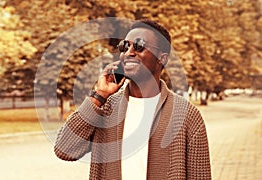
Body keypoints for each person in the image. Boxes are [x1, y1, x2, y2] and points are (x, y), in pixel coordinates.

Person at [54, 19, 212, 179]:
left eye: (139, 46)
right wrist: (99, 96)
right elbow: (64, 149)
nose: (129, 52)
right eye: (125, 46)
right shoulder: (106, 109)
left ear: (162, 59)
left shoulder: (186, 115)